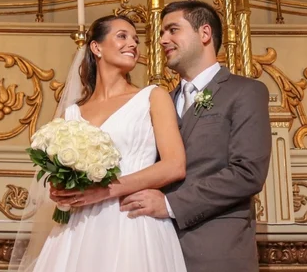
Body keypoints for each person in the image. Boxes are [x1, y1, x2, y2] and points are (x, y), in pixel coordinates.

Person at [11, 15, 187, 271]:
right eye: (122, 36)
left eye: (136, 40)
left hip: (132, 222)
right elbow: (62, 175)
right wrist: (62, 191)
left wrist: (106, 191)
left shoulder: (152, 97)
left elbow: (174, 166)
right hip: (78, 229)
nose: (133, 44)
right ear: (96, 47)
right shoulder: (72, 113)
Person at [120, 1, 272, 272]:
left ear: (204, 33)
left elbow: (247, 173)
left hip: (216, 250)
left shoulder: (245, 92)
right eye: (162, 33)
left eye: (172, 30)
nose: (162, 40)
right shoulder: (160, 102)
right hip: (154, 248)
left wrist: (170, 204)